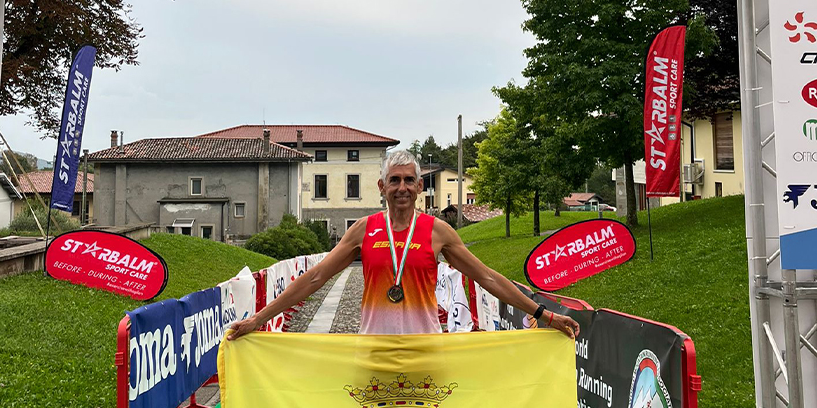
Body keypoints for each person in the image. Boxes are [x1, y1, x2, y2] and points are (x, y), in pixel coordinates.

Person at [227, 149, 579, 340]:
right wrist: (258, 319)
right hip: (374, 351)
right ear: (382, 187)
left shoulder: (438, 232)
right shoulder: (364, 230)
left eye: (409, 180)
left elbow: (486, 277)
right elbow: (316, 277)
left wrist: (544, 315)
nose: (402, 188)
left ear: (419, 187)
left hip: (425, 350)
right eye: (394, 180)